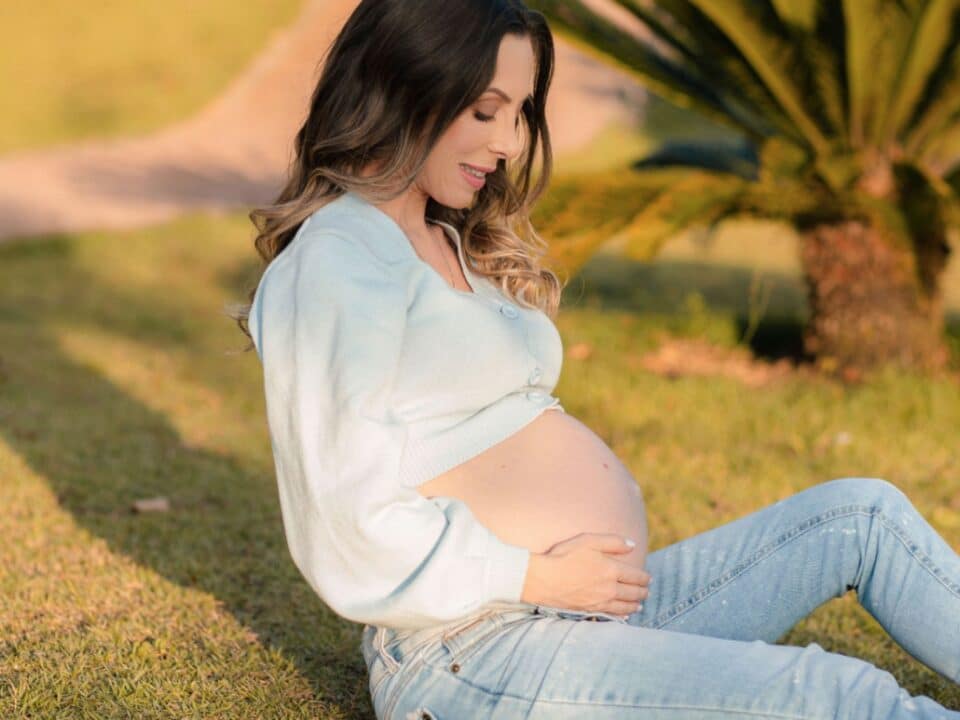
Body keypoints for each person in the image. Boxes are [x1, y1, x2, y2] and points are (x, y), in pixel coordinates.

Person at [231, 0, 960, 717]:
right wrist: (535, 576)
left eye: (519, 112)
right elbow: (345, 520)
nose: (511, 142)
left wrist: (564, 584)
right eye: (486, 111)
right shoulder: (337, 258)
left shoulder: (446, 238)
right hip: (475, 650)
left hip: (589, 610)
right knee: (838, 694)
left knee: (861, 516)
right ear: (403, 85)